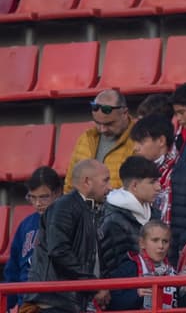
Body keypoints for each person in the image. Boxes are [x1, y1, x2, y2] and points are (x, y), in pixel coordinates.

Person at [22, 160, 110, 313]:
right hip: (53, 303)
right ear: (87, 181)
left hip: (66, 302)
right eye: (105, 180)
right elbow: (59, 251)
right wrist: (94, 285)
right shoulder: (64, 207)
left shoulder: (88, 209)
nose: (110, 187)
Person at [129, 114, 186, 267]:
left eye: (141, 142)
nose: (136, 148)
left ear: (161, 141)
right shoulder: (134, 176)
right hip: (143, 265)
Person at [4, 166, 61, 308]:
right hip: (26, 301)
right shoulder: (26, 225)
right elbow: (13, 270)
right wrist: (9, 304)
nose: (37, 203)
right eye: (32, 197)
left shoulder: (71, 222)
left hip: (58, 302)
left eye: (44, 197)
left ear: (58, 193)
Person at [98, 155, 161, 276]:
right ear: (134, 186)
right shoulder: (112, 221)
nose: (159, 187)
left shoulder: (154, 214)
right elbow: (116, 272)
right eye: (152, 182)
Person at [64, 89, 135, 192]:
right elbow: (70, 184)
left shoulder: (139, 141)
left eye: (109, 124)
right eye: (97, 123)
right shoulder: (86, 138)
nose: (102, 129)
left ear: (125, 113)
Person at [107, 222, 179, 312]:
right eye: (155, 240)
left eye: (165, 241)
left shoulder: (172, 270)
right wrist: (136, 294)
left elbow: (180, 304)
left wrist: (185, 291)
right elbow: (113, 302)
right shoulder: (129, 267)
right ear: (142, 243)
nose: (161, 246)